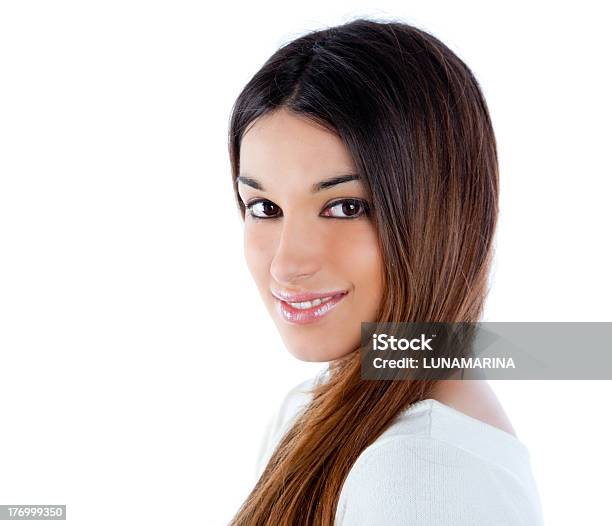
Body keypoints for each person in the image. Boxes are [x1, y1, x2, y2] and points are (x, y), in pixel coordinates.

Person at [227, 17, 545, 525]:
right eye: (264, 208)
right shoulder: (319, 409)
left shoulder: (421, 470)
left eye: (345, 207)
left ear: (443, 212)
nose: (288, 263)